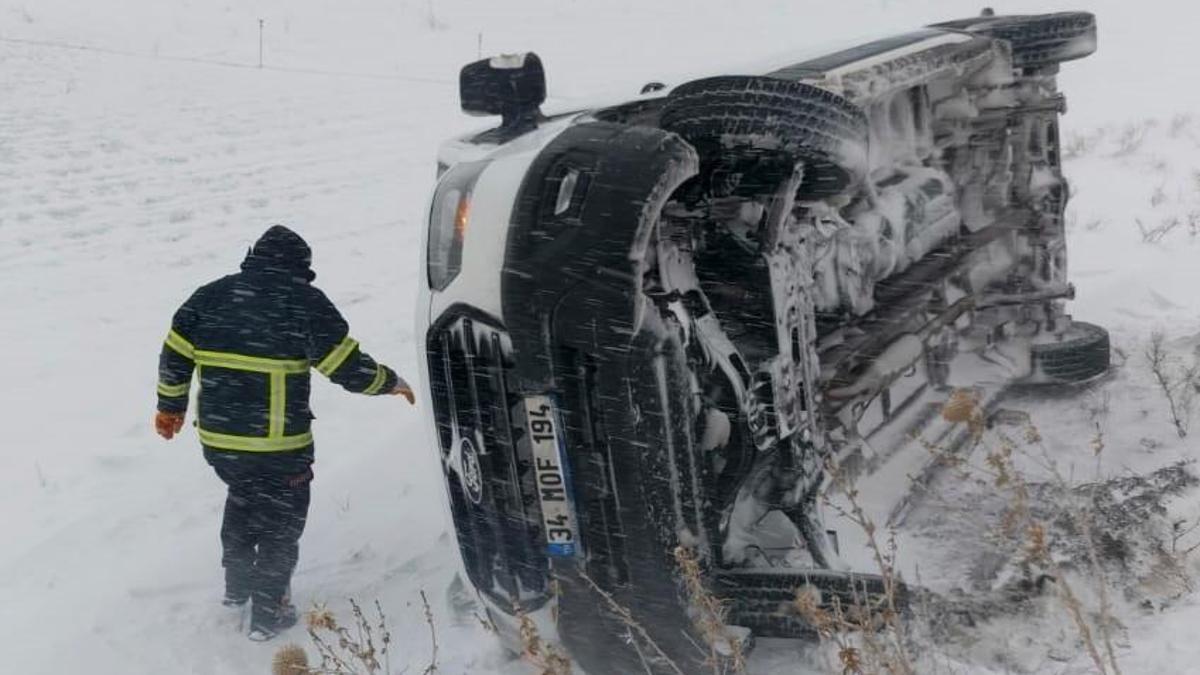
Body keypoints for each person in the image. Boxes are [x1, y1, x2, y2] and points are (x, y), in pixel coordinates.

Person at [153, 225, 413, 641]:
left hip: (221, 445)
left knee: (241, 501)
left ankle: (236, 591)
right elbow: (345, 366)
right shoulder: (303, 303)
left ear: (253, 256)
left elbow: (174, 357)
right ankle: (269, 614)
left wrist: (170, 407)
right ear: (301, 269)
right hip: (279, 448)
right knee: (280, 523)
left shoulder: (210, 296)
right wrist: (390, 382)